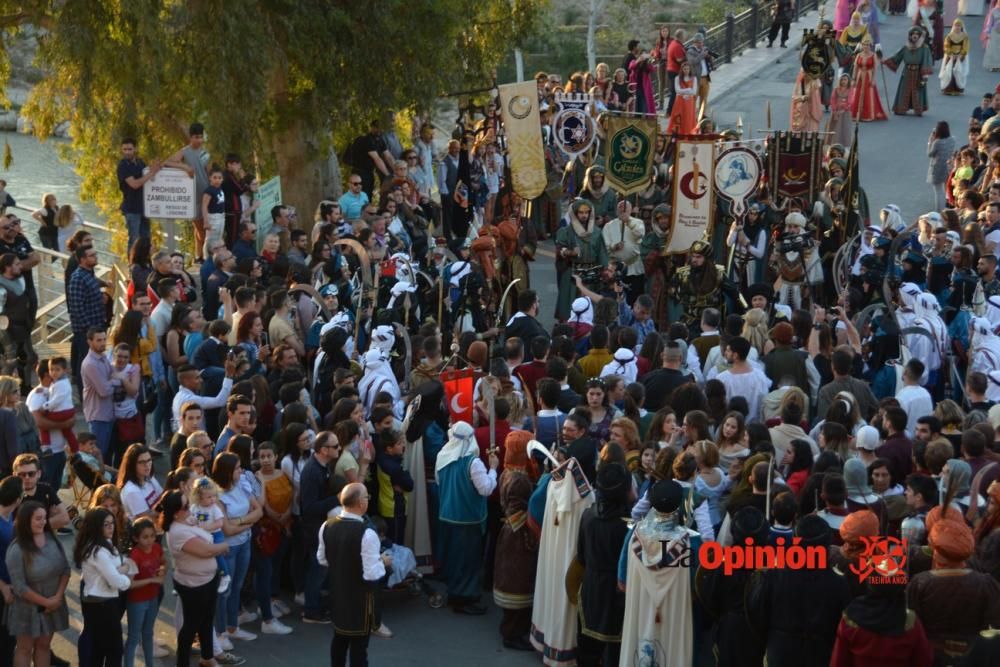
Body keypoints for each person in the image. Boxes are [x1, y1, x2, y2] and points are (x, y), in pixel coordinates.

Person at [617, 480, 702, 667]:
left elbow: (622, 581)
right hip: (674, 610)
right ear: (679, 505)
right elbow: (696, 588)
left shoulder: (634, 535)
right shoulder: (691, 543)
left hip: (641, 606)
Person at [318, 482, 391, 667]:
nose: (368, 500)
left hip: (338, 593)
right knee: (359, 647)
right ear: (360, 503)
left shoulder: (327, 525)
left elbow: (322, 559)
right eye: (367, 497)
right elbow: (371, 574)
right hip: (360, 599)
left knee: (339, 639)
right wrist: (382, 562)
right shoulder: (367, 533)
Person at [161, 489, 230, 667]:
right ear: (175, 513)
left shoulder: (187, 520)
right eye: (185, 506)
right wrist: (223, 546)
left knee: (206, 621)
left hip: (208, 579)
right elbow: (206, 551)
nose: (190, 508)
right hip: (193, 585)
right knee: (191, 626)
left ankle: (207, 658)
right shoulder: (177, 531)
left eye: (188, 503)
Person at [435, 421, 497, 614]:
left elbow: (439, 482)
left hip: (447, 515)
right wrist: (493, 468)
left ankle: (455, 592)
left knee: (453, 558)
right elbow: (486, 488)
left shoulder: (442, 456)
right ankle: (464, 598)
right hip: (468, 519)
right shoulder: (473, 463)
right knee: (467, 561)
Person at [572, 463, 631, 666]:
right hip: (618, 596)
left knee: (587, 651)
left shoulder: (588, 515)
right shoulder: (628, 526)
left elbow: (581, 557)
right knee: (616, 653)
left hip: (591, 590)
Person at [5, 500, 70, 667]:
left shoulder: (52, 539)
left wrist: (57, 598)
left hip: (53, 604)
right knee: (24, 648)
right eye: (38, 519)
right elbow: (20, 587)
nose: (43, 522)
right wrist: (47, 602)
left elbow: (65, 569)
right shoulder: (16, 550)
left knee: (44, 645)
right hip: (27, 609)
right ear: (26, 521)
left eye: (44, 518)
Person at [211, 451, 263, 642]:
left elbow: (258, 511)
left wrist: (240, 521)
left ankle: (233, 627)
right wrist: (247, 523)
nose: (241, 471)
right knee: (225, 590)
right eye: (237, 468)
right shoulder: (216, 495)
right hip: (229, 548)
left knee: (237, 586)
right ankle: (220, 632)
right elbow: (227, 530)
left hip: (244, 543)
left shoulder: (241, 484)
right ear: (226, 471)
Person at [74, 507, 133, 667]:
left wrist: (119, 571)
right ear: (95, 526)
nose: (111, 527)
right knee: (113, 651)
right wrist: (126, 578)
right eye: (106, 524)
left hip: (102, 602)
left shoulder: (106, 544)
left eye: (112, 523)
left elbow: (117, 569)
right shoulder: (98, 551)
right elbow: (117, 581)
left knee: (99, 650)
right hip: (102, 605)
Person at [300, 430, 343, 624]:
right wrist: (336, 499)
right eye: (335, 446)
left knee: (321, 568)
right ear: (324, 450)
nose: (339, 448)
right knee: (317, 569)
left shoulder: (322, 466)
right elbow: (309, 507)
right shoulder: (312, 472)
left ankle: (316, 605)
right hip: (314, 528)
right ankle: (311, 611)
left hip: (321, 526)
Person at [164, 123, 210, 262]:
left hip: (206, 195)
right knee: (200, 228)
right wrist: (184, 167)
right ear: (191, 137)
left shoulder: (205, 153)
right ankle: (203, 256)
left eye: (201, 137)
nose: (199, 140)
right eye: (196, 137)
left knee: (203, 227)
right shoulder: (185, 151)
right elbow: (167, 162)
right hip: (193, 196)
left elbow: (208, 171)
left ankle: (198, 256)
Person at [124, 517, 166, 667]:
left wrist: (162, 572)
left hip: (152, 598)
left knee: (148, 634)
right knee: (133, 637)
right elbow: (129, 584)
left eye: (152, 536)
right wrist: (152, 580)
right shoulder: (134, 556)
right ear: (136, 538)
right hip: (137, 601)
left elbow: (164, 562)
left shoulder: (157, 548)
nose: (150, 540)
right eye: (145, 537)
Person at [117, 138, 159, 250]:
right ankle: (132, 261)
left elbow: (148, 177)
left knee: (146, 239)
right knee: (134, 241)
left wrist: (155, 169)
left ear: (135, 149)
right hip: (131, 209)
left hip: (144, 208)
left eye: (129, 149)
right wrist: (152, 173)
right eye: (124, 149)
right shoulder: (123, 166)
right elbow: (134, 184)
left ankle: (145, 259)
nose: (127, 152)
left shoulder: (140, 162)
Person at [883, 27, 935, 116]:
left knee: (918, 91)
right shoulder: (906, 47)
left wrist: (925, 75)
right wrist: (885, 61)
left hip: (918, 73)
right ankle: (901, 108)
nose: (915, 36)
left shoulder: (924, 48)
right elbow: (897, 57)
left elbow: (926, 60)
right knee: (904, 90)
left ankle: (918, 109)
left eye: (917, 34)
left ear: (919, 36)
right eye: (913, 34)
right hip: (906, 72)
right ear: (910, 36)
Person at [117, 444, 163, 523]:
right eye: (141, 462)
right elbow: (147, 519)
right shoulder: (131, 490)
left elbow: (162, 497)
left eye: (149, 460)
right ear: (132, 465)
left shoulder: (149, 477)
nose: (147, 465)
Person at [850, 37, 889, 122]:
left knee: (868, 95)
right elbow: (855, 68)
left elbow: (875, 68)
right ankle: (856, 114)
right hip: (859, 77)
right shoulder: (858, 55)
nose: (866, 46)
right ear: (862, 45)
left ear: (870, 46)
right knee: (857, 95)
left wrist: (873, 79)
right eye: (864, 44)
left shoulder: (873, 55)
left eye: (868, 45)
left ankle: (867, 115)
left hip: (869, 76)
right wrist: (853, 79)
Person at [927, 122, 956, 210]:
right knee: (945, 189)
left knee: (938, 191)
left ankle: (938, 210)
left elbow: (930, 154)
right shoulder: (952, 140)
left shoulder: (937, 142)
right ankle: (944, 209)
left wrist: (930, 142)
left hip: (937, 168)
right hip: (948, 166)